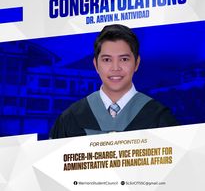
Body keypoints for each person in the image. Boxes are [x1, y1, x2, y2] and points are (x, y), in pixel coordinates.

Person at [50, 24, 178, 139]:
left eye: (124, 59)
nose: (115, 68)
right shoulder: (70, 119)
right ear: (95, 65)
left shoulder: (159, 118)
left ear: (137, 63)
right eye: (106, 60)